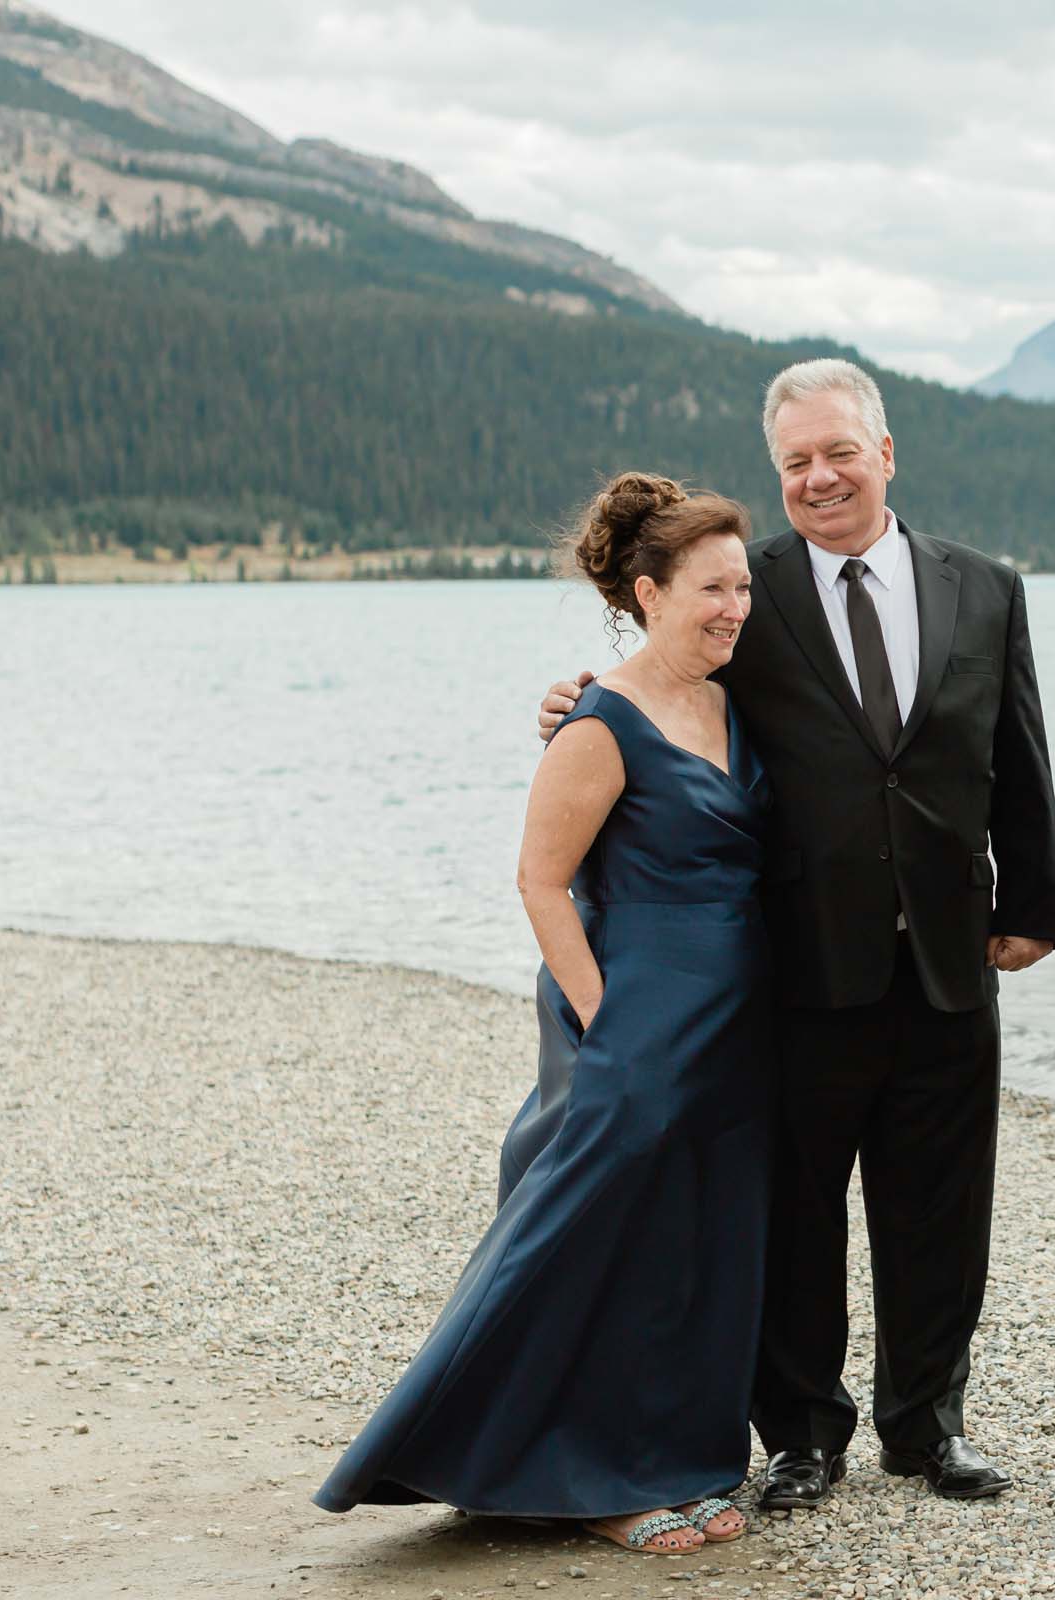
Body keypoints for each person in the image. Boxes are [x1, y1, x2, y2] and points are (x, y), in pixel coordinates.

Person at [537, 359, 1055, 1507]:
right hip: (795, 961)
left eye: (837, 453)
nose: (818, 477)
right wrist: (576, 705)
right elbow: (662, 692)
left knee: (941, 1210)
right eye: (794, 462)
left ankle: (926, 1428)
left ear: (886, 453)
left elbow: (1015, 750)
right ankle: (802, 1434)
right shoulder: (745, 590)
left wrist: (1031, 904)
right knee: (795, 1212)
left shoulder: (985, 587)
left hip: (946, 959)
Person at [315, 473, 771, 1556]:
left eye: (743, 586)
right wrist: (606, 1024)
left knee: (700, 1244)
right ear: (649, 593)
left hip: (736, 1015)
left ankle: (679, 1459)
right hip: (635, 1014)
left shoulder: (731, 700)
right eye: (712, 588)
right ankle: (591, 1483)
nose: (734, 607)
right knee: (597, 1242)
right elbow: (540, 879)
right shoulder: (598, 721)